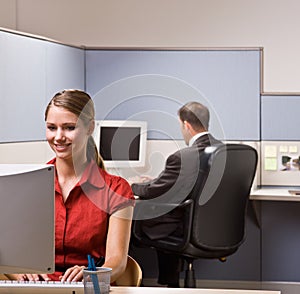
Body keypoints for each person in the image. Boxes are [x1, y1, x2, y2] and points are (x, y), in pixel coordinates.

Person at [12, 89, 135, 283]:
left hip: (85, 286)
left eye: (69, 127)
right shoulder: (28, 184)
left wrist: (91, 273)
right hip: (37, 287)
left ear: (90, 127)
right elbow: (10, 251)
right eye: (52, 127)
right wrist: (19, 273)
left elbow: (117, 262)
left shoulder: (116, 189)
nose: (59, 137)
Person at [129, 101, 221, 287]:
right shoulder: (223, 150)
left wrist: (132, 185)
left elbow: (153, 191)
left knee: (130, 223)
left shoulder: (183, 157)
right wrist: (156, 180)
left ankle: (134, 285)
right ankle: (169, 284)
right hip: (216, 229)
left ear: (186, 125)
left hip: (184, 228)